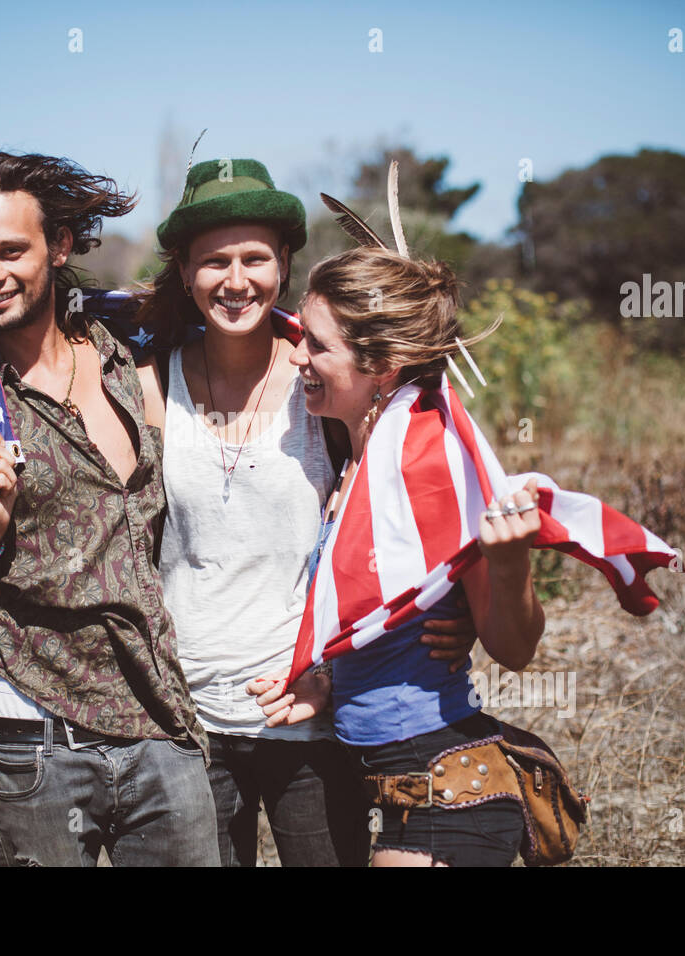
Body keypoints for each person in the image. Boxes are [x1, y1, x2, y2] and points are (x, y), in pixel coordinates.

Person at [0, 151, 217, 866]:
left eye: (10, 250)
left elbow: (245, 329)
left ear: (59, 246)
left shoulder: (128, 352)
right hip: (36, 733)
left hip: (161, 719)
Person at [132, 159, 478, 866]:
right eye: (213, 262)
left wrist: (461, 608)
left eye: (254, 258)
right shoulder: (149, 383)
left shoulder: (323, 376)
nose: (235, 280)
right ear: (185, 272)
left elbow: (415, 500)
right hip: (187, 716)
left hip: (311, 712)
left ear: (284, 262)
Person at [251, 244, 543, 867]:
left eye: (318, 346)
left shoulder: (428, 471)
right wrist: (330, 678)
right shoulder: (356, 457)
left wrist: (513, 565)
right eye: (302, 336)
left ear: (381, 364)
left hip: (443, 790)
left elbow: (515, 651)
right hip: (391, 786)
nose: (297, 355)